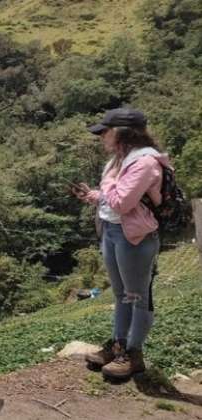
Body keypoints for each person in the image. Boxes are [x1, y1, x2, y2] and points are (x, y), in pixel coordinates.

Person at [72, 108, 165, 380]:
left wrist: (108, 189)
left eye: (105, 131)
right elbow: (115, 197)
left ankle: (133, 354)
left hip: (134, 237)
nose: (101, 136)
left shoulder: (144, 162)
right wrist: (97, 195)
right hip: (112, 231)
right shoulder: (118, 160)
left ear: (123, 133)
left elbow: (123, 202)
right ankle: (117, 345)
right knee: (121, 293)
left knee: (137, 296)